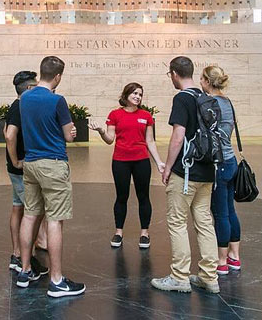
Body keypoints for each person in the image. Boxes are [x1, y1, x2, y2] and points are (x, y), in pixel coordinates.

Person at [16, 56, 86, 298]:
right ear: (57, 76)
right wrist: (71, 130)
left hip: (31, 163)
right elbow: (69, 136)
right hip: (53, 164)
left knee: (30, 215)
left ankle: (24, 270)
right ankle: (56, 281)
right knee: (55, 220)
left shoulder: (25, 97)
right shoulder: (57, 100)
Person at [151, 56, 220, 294]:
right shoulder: (207, 97)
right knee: (204, 222)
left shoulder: (182, 98)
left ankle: (180, 276)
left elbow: (178, 137)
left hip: (186, 171)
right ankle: (210, 276)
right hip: (208, 171)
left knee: (177, 222)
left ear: (173, 74)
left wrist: (168, 167)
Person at [89, 82, 165, 249]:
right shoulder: (115, 114)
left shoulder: (146, 115)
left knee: (143, 196)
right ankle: (118, 232)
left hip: (141, 161)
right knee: (121, 197)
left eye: (140, 94)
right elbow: (110, 139)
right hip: (120, 161)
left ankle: (144, 233)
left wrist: (159, 162)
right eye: (134, 93)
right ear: (126, 95)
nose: (137, 97)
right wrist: (101, 130)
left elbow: (150, 141)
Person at [4, 70, 48, 274]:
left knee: (18, 208)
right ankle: (26, 260)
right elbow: (10, 135)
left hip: (17, 169)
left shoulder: (17, 105)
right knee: (33, 212)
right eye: (36, 85)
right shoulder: (20, 106)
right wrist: (16, 162)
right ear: (30, 88)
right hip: (20, 170)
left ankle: (16, 255)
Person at [200, 65, 242, 276]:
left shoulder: (210, 103)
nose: (200, 82)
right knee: (230, 210)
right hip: (231, 160)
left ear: (208, 81)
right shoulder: (228, 102)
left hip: (218, 163)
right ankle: (235, 256)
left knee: (220, 214)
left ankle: (222, 260)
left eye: (201, 79)